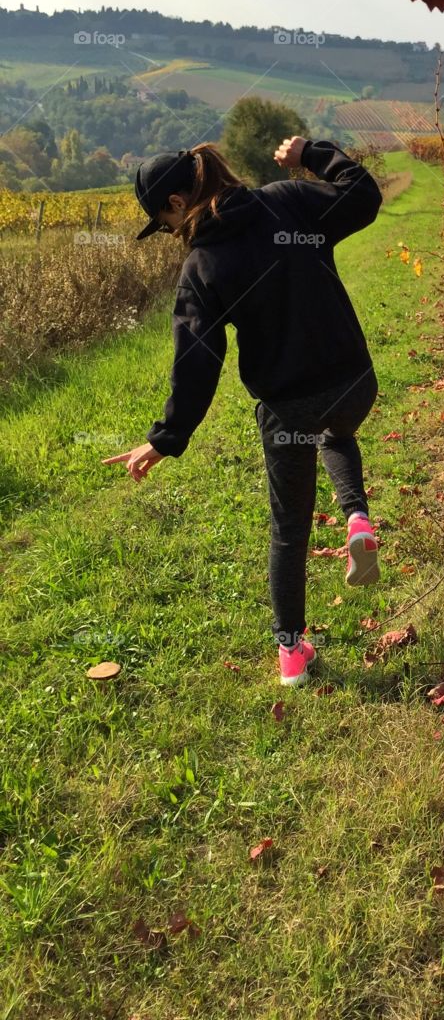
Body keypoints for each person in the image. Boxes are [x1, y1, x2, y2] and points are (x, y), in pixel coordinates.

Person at [103, 136, 383, 687]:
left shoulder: (203, 266)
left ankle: (292, 653)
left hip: (291, 405)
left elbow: (197, 363)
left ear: (179, 204)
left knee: (289, 527)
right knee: (335, 432)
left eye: (164, 221)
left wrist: (166, 437)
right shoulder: (289, 201)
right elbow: (364, 194)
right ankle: (357, 517)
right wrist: (311, 154)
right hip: (354, 382)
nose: (171, 233)